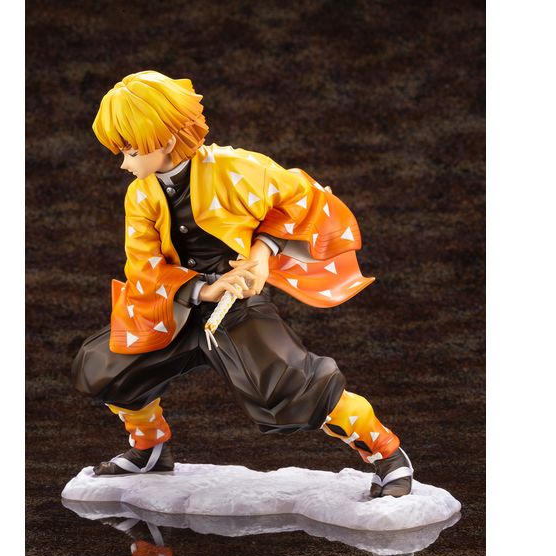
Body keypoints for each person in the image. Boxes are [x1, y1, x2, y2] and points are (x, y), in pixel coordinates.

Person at [71, 70, 413, 498]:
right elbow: (143, 266)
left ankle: (387, 454)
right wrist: (200, 290)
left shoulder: (236, 168)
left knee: (292, 385)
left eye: (131, 150)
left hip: (239, 303)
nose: (124, 163)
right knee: (107, 365)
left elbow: (305, 201)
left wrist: (263, 252)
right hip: (176, 306)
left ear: (165, 137)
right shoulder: (140, 195)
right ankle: (149, 447)